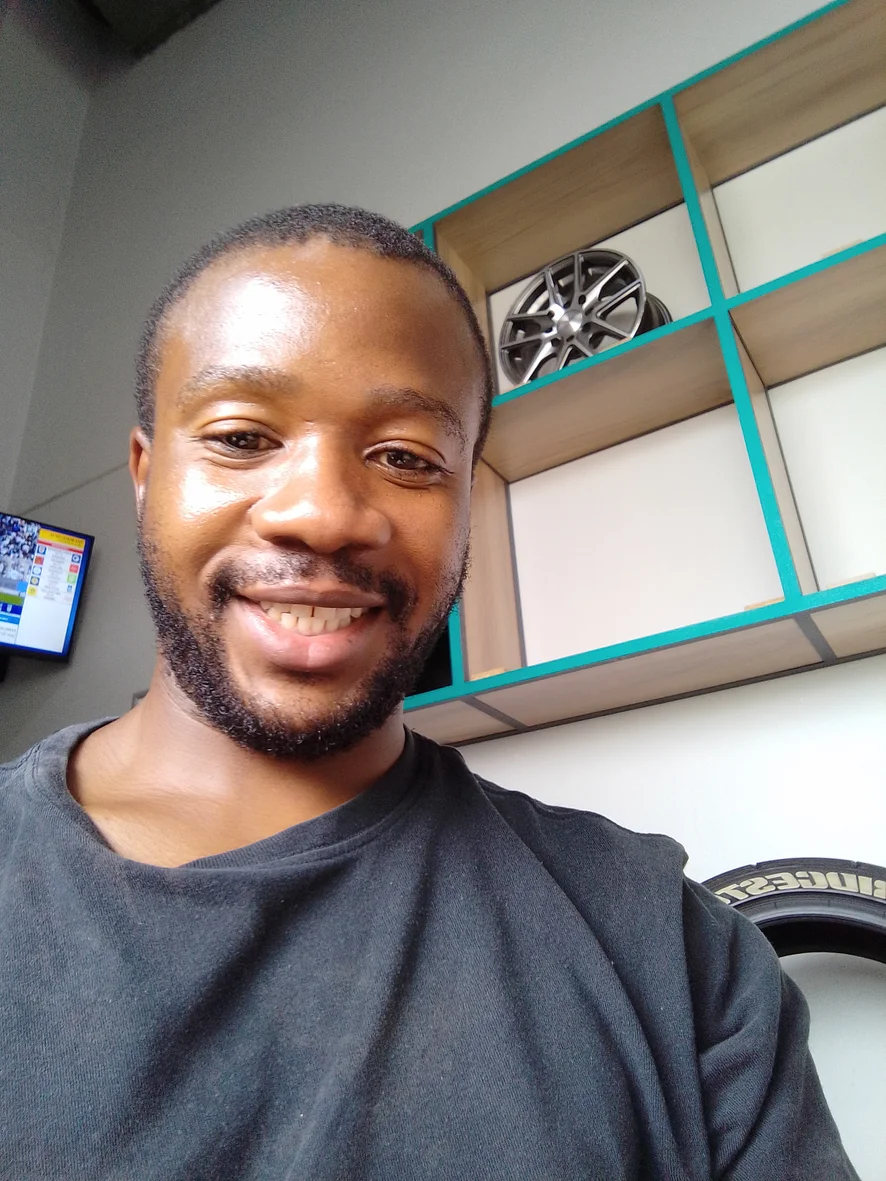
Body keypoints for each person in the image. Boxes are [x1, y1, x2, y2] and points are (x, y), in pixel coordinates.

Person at [0, 204, 858, 1180]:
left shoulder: (677, 950)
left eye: (406, 456)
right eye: (241, 435)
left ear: (464, 508)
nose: (323, 512)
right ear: (146, 475)